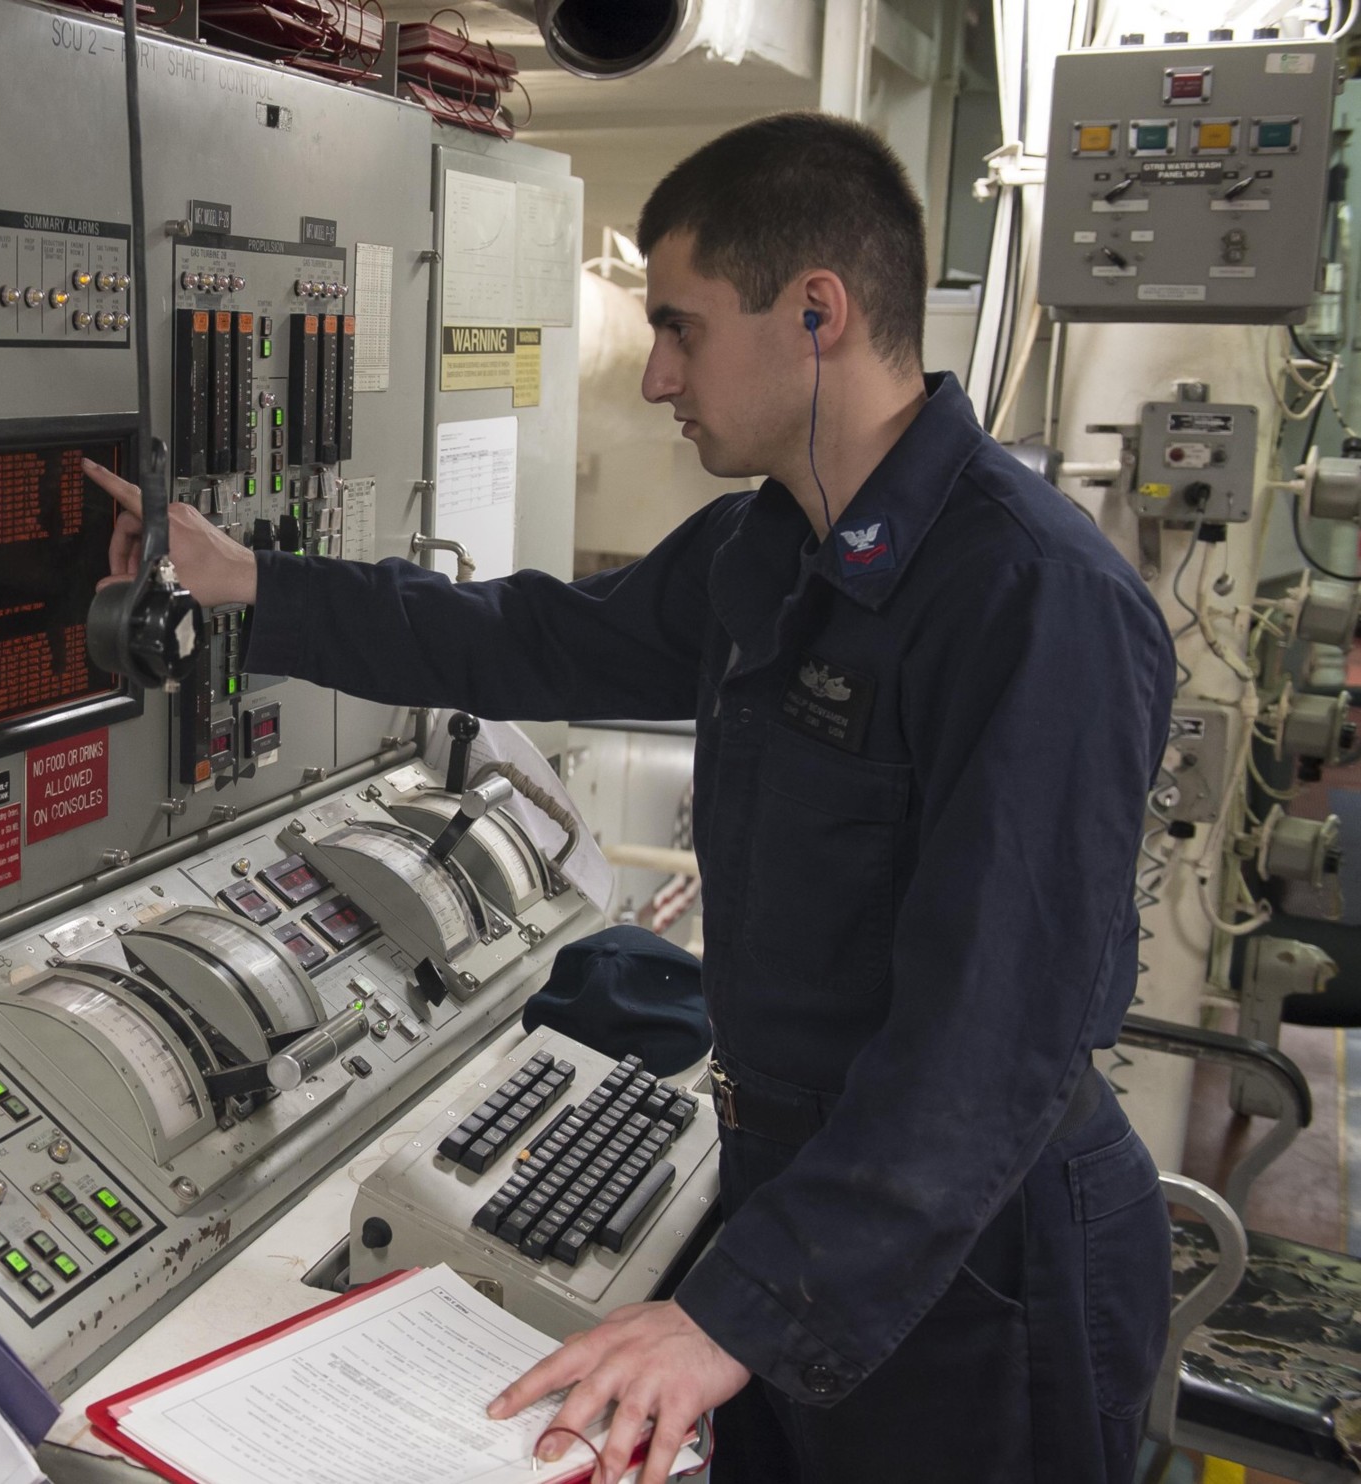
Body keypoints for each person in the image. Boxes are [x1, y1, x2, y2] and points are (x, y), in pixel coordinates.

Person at [85, 112, 1176, 1484]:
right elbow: (523, 639)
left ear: (816, 314)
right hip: (806, 1197)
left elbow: (994, 1039)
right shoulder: (767, 546)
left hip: (972, 1265)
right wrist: (252, 583)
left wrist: (733, 1310)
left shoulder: (1035, 600)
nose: (656, 371)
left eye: (681, 326)